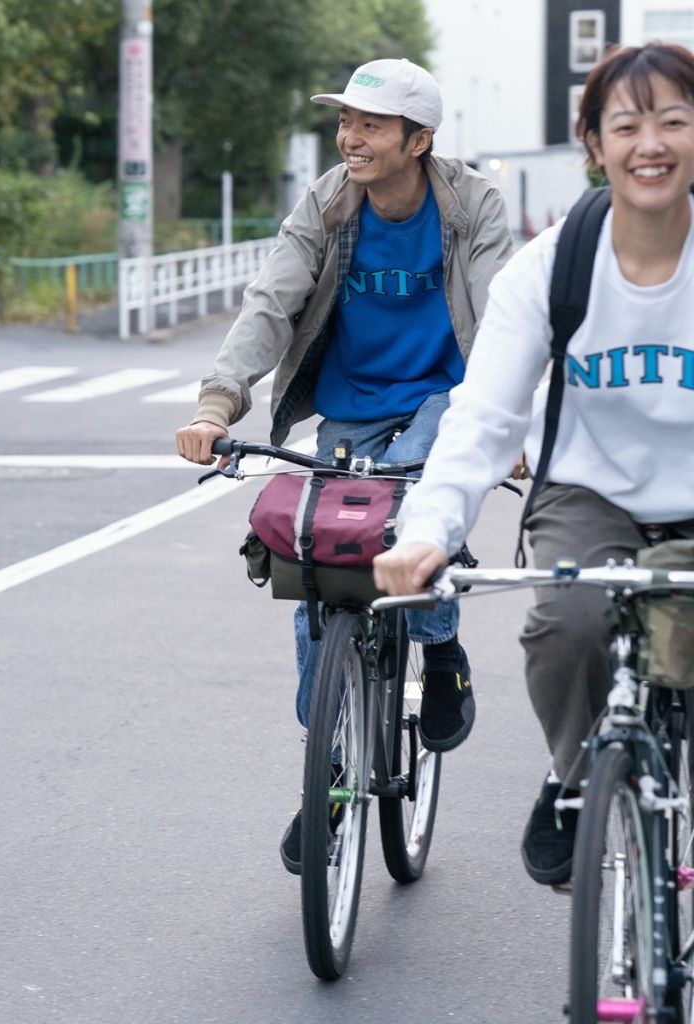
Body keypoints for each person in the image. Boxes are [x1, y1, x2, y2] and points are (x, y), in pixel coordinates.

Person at [175, 57, 514, 874]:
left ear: (418, 138)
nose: (350, 137)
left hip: (445, 397)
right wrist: (218, 402)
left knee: (416, 517)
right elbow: (270, 301)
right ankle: (324, 760)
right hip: (349, 406)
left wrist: (513, 419)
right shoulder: (329, 203)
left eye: (370, 124)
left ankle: (438, 652)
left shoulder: (471, 206)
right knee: (318, 560)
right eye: (345, 122)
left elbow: (504, 317)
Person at [372, 42, 694, 886]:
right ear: (594, 143)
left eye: (673, 120)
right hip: (589, 491)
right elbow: (484, 416)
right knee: (567, 627)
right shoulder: (552, 266)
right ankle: (577, 777)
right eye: (626, 124)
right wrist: (427, 533)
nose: (650, 143)